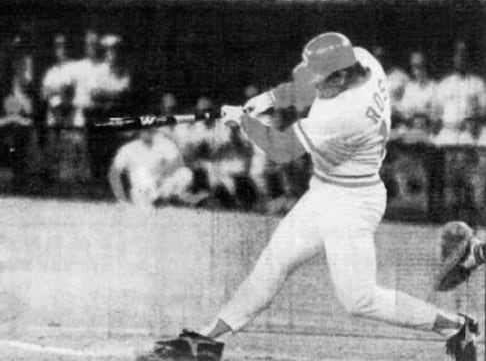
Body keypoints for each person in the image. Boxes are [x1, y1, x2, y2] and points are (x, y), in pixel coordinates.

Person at [146, 33, 479, 361]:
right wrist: (270, 99)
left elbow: (280, 149)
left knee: (359, 300)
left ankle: (456, 326)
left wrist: (244, 122)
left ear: (342, 76)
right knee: (273, 263)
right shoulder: (362, 60)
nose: (317, 86)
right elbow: (305, 84)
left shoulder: (344, 113)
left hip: (352, 204)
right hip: (326, 191)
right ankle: (206, 341)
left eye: (323, 80)